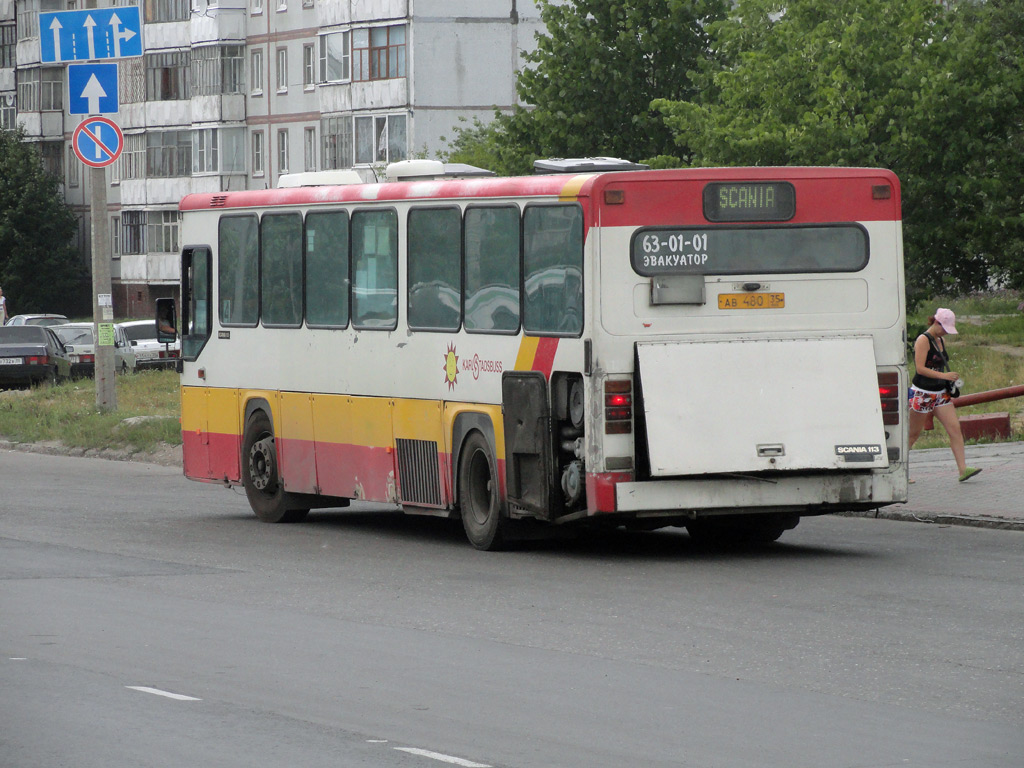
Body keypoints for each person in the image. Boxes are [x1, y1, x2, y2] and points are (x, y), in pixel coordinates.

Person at [907, 307, 981, 482]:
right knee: (912, 434)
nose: (946, 333)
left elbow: (939, 364)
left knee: (955, 429)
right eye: (945, 329)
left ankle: (963, 469)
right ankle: (899, 471)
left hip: (941, 393)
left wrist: (948, 378)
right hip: (923, 393)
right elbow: (920, 369)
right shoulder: (923, 340)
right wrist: (944, 376)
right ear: (936, 322)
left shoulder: (940, 340)